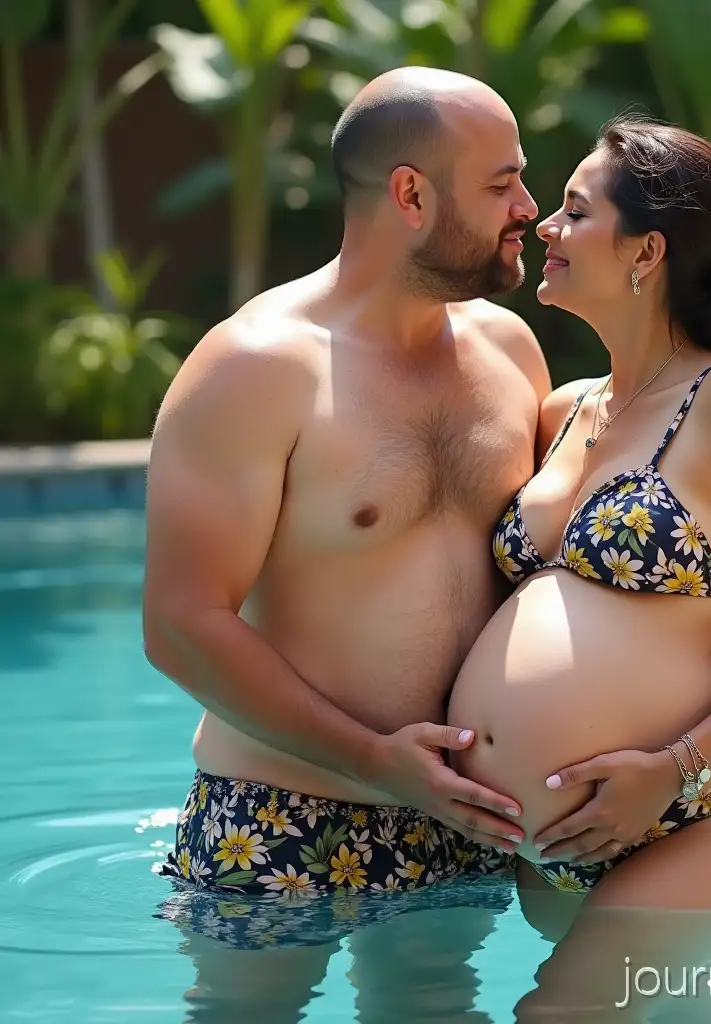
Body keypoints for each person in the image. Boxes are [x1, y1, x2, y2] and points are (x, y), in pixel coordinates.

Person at [142, 66, 550, 1022]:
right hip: (280, 815)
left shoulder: (510, 351)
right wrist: (371, 759)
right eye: (502, 184)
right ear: (410, 194)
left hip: (456, 816)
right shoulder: (256, 368)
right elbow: (180, 624)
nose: (529, 207)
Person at [444, 115, 711, 1019]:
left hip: (695, 820)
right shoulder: (564, 410)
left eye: (575, 212)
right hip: (553, 848)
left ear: (646, 251)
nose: (545, 225)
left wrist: (672, 771)